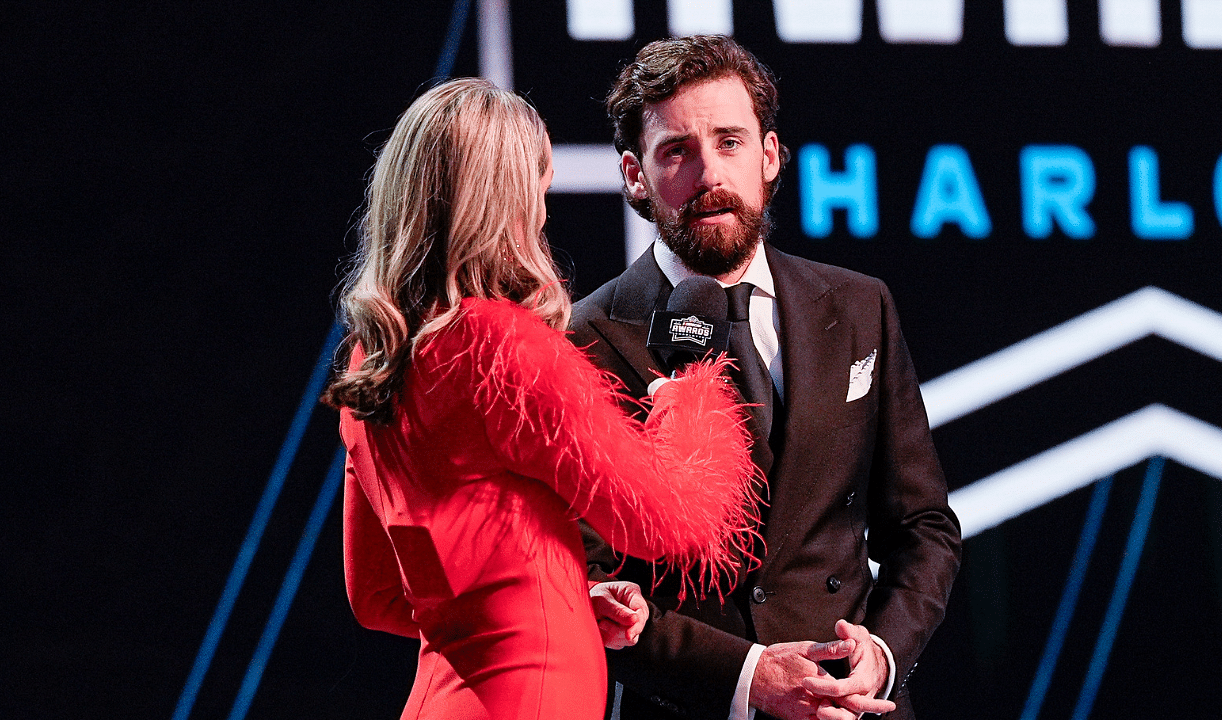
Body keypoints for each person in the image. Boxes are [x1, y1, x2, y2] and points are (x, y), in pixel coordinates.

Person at [324, 77, 768, 720]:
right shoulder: (501, 344)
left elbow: (378, 595)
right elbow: (667, 519)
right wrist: (691, 396)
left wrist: (556, 599)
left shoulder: (373, 361)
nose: (542, 209)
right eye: (539, 184)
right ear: (502, 197)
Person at [569, 36, 962, 720]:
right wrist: (749, 677)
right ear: (635, 176)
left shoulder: (859, 305)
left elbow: (924, 525)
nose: (710, 173)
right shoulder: (586, 338)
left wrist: (884, 655)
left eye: (730, 142)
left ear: (770, 155)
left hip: (853, 706)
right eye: (677, 151)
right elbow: (588, 581)